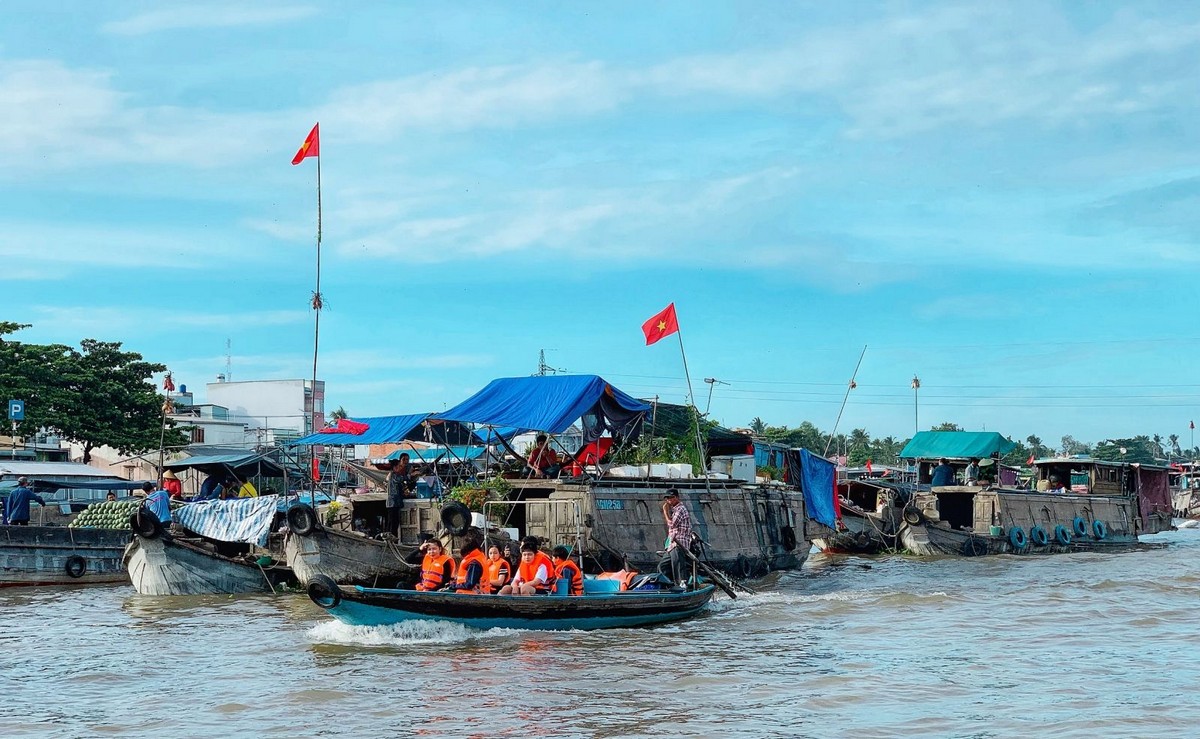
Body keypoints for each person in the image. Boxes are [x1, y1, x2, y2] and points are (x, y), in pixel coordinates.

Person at [657, 489, 692, 586]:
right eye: (667, 499)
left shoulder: (680, 509)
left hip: (679, 543)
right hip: (672, 544)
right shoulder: (675, 510)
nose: (669, 501)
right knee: (662, 566)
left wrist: (665, 512)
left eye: (671, 498)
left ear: (676, 497)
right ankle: (667, 585)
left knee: (678, 567)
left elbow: (672, 524)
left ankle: (682, 586)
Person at [385, 454, 414, 538]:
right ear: (394, 467)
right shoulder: (393, 475)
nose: (399, 468)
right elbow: (403, 478)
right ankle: (390, 539)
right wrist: (411, 475)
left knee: (394, 522)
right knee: (392, 523)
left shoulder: (395, 475)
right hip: (392, 503)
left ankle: (392, 538)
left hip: (395, 503)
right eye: (397, 466)